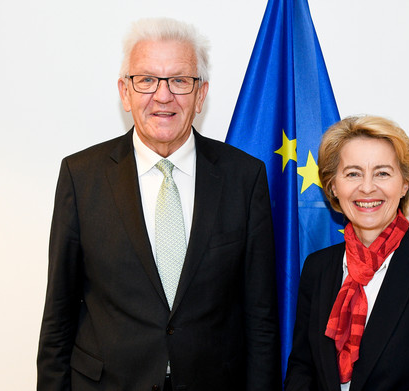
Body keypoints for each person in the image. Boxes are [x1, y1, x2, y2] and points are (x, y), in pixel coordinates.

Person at [37, 17, 281, 391]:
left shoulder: (243, 178)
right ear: (125, 92)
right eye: (147, 79)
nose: (163, 96)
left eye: (180, 80)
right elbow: (59, 313)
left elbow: (260, 318)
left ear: (201, 95)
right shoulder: (80, 176)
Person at [284, 115, 409, 391]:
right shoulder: (317, 268)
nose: (367, 187)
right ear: (332, 185)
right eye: (353, 173)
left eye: (382, 173)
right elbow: (302, 368)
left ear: (404, 184)